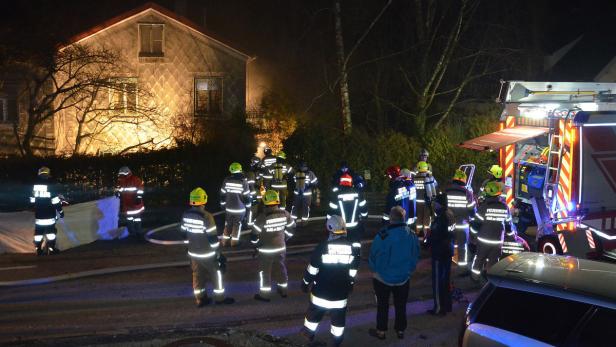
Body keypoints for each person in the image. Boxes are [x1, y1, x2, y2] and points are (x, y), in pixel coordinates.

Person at [300, 215, 358, 346]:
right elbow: (353, 271)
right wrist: (350, 284)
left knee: (313, 317)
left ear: (329, 229)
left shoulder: (322, 247)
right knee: (338, 321)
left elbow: (312, 269)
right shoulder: (352, 248)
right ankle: (336, 341)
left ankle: (308, 334)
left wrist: (304, 283)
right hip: (340, 295)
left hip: (321, 293)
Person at [368, 206, 420, 340]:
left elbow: (373, 253)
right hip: (403, 277)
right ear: (404, 218)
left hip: (382, 278)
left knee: (382, 305)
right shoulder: (412, 235)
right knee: (401, 305)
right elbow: (415, 255)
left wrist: (374, 269)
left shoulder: (383, 234)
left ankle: (381, 331)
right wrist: (409, 270)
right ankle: (400, 330)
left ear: (391, 218)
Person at [181, 188, 235, 307]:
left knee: (197, 275)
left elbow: (184, 234)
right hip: (207, 253)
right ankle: (220, 298)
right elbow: (212, 238)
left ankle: (200, 299)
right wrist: (218, 253)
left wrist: (188, 247)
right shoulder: (207, 216)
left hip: (193, 252)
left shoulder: (185, 215)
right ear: (204, 199)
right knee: (216, 274)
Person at [251, 190, 295, 302]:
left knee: (265, 272)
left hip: (266, 251)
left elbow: (254, 236)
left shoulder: (262, 218)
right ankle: (283, 290)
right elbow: (292, 228)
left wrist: (256, 246)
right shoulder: (285, 214)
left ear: (265, 201)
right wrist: (285, 238)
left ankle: (265, 295)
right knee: (281, 269)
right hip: (281, 248)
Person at [470, 181, 513, 280]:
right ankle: (490, 280)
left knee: (479, 259)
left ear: (486, 193)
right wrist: (510, 236)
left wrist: (472, 238)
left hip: (483, 241)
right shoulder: (505, 207)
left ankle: (475, 278)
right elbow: (509, 226)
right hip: (497, 242)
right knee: (493, 262)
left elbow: (475, 225)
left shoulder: (483, 207)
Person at [426, 193, 456, 316]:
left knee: (438, 282)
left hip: (439, 253)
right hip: (448, 251)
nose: (434, 205)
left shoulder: (441, 218)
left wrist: (428, 242)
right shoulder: (450, 214)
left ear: (440, 204)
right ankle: (447, 305)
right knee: (446, 281)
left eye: (435, 203)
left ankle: (438, 308)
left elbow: (436, 235)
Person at [328, 173, 367, 252]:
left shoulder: (336, 195)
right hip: (355, 225)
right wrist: (364, 217)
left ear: (341, 183)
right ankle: (356, 257)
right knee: (356, 243)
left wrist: (329, 224)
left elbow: (331, 212)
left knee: (340, 245)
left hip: (339, 226)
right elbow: (363, 208)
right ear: (350, 182)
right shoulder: (358, 194)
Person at [445, 169, 476, 269]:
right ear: (464, 180)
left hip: (448, 223)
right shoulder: (467, 192)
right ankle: (462, 266)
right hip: (462, 224)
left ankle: (450, 262)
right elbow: (472, 209)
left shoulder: (447, 190)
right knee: (463, 246)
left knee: (450, 243)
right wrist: (473, 218)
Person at [31, 166, 64, 255]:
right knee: (51, 233)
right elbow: (55, 201)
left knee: (38, 233)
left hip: (39, 215)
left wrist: (34, 207)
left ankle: (38, 250)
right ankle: (51, 250)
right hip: (49, 214)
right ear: (48, 174)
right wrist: (61, 212)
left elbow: (32, 200)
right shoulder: (50, 185)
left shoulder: (34, 186)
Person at [220, 162, 251, 246]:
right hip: (239, 209)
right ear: (240, 170)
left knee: (228, 225)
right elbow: (247, 197)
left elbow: (222, 194)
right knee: (237, 226)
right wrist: (248, 207)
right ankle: (234, 243)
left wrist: (223, 205)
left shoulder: (226, 180)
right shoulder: (243, 181)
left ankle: (224, 242)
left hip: (228, 208)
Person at [117, 166, 144, 240]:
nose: (121, 175)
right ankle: (132, 234)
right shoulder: (121, 181)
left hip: (135, 203)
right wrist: (119, 196)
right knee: (129, 220)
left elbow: (140, 189)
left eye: (122, 174)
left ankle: (139, 233)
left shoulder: (135, 179)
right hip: (127, 204)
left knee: (137, 219)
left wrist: (138, 197)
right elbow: (121, 191)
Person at [414, 161, 436, 240]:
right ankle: (426, 233)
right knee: (427, 217)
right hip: (426, 201)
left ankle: (418, 231)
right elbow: (430, 191)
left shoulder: (415, 177)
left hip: (417, 201)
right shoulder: (427, 178)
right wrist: (432, 199)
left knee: (419, 217)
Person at [246, 156, 262, 226]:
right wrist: (254, 196)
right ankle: (249, 224)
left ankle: (253, 222)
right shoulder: (251, 173)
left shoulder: (256, 172)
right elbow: (251, 186)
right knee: (252, 209)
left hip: (257, 191)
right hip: (253, 193)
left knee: (256, 208)